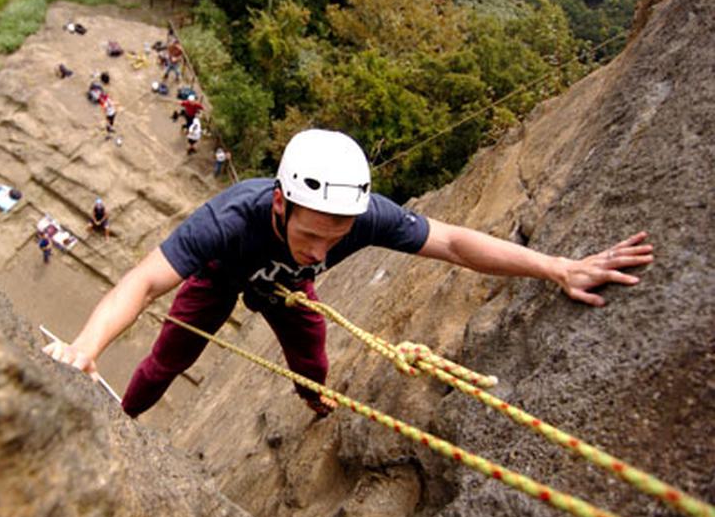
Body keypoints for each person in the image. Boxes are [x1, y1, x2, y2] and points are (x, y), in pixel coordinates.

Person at [43, 129, 654, 419]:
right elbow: (145, 280)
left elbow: (456, 243)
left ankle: (313, 400)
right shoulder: (232, 218)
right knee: (169, 357)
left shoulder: (361, 217)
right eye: (310, 234)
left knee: (313, 364)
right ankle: (123, 419)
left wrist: (558, 267)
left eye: (335, 239)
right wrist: (86, 348)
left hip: (286, 293)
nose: (320, 250)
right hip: (222, 274)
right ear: (279, 203)